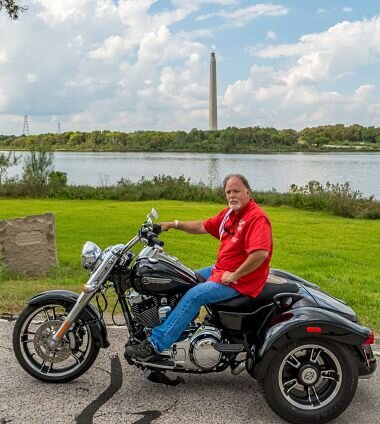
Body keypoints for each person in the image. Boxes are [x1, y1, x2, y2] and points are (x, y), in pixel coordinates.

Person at [125, 174, 273, 361]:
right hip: (221, 270)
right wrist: (172, 225)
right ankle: (177, 330)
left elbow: (260, 254)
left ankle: (155, 344)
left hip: (241, 280)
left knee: (194, 295)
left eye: (236, 191)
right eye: (228, 192)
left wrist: (235, 275)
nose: (231, 195)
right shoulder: (230, 214)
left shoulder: (256, 218)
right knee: (185, 279)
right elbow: (203, 226)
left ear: (248, 192)